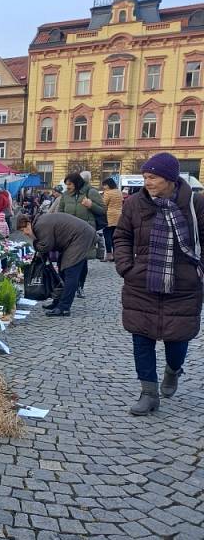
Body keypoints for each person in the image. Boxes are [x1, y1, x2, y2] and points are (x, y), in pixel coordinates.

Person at [113, 152, 204, 416]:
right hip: (142, 282)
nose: (147, 182)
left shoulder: (195, 204)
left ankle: (173, 369)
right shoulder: (134, 205)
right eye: (144, 177)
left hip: (183, 285)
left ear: (170, 179)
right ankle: (148, 393)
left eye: (152, 177)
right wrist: (125, 267)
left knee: (178, 339)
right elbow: (122, 236)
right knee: (141, 338)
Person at [17, 212, 96, 316]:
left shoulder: (40, 225)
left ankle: (64, 308)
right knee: (62, 269)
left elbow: (45, 246)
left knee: (70, 271)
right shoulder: (39, 223)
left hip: (80, 237)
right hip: (75, 238)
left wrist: (35, 242)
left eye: (23, 230)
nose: (24, 233)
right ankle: (58, 301)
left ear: (28, 224)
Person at [58, 172, 105, 298]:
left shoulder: (91, 192)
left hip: (85, 232)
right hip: (68, 233)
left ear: (77, 183)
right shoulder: (65, 195)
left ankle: (80, 286)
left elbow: (102, 210)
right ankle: (66, 286)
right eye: (66, 184)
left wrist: (91, 205)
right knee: (66, 259)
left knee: (82, 261)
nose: (67, 187)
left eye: (70, 184)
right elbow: (60, 211)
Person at [101, 177, 123, 262]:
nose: (104, 187)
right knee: (115, 236)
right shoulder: (119, 192)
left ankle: (109, 255)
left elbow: (103, 204)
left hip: (109, 216)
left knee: (107, 236)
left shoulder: (108, 193)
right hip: (119, 215)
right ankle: (115, 254)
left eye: (104, 185)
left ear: (108, 185)